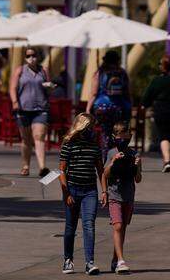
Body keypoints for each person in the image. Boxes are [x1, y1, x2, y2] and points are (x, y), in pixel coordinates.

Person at [59, 112, 105, 275]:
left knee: (89, 225)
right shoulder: (68, 143)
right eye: (90, 127)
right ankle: (68, 260)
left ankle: (89, 262)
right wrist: (66, 193)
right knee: (70, 227)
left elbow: (100, 170)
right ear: (82, 126)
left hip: (90, 191)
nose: (92, 130)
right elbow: (62, 170)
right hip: (72, 188)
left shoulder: (94, 145)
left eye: (93, 127)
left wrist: (104, 191)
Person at [102, 120, 142, 275]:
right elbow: (104, 175)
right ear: (114, 137)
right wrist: (113, 162)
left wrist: (137, 167)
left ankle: (115, 258)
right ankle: (121, 261)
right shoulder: (112, 152)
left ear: (130, 137)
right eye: (119, 138)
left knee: (122, 228)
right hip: (114, 195)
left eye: (126, 138)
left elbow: (138, 179)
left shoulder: (134, 154)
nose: (123, 141)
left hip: (128, 195)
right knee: (117, 226)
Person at [10, 46, 52, 177]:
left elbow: (49, 88)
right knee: (26, 139)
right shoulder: (20, 70)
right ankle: (25, 165)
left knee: (39, 137)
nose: (31, 58)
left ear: (38, 57)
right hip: (23, 108)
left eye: (33, 55)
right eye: (28, 56)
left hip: (41, 108)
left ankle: (42, 167)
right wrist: (15, 102)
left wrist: (50, 87)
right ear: (24, 57)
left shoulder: (43, 70)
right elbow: (12, 87)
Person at [86, 50, 131, 144]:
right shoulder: (122, 73)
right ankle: (117, 150)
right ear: (117, 60)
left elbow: (94, 93)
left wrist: (88, 108)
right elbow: (127, 92)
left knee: (105, 131)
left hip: (102, 107)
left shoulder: (100, 72)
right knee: (118, 131)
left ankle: (106, 150)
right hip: (119, 106)